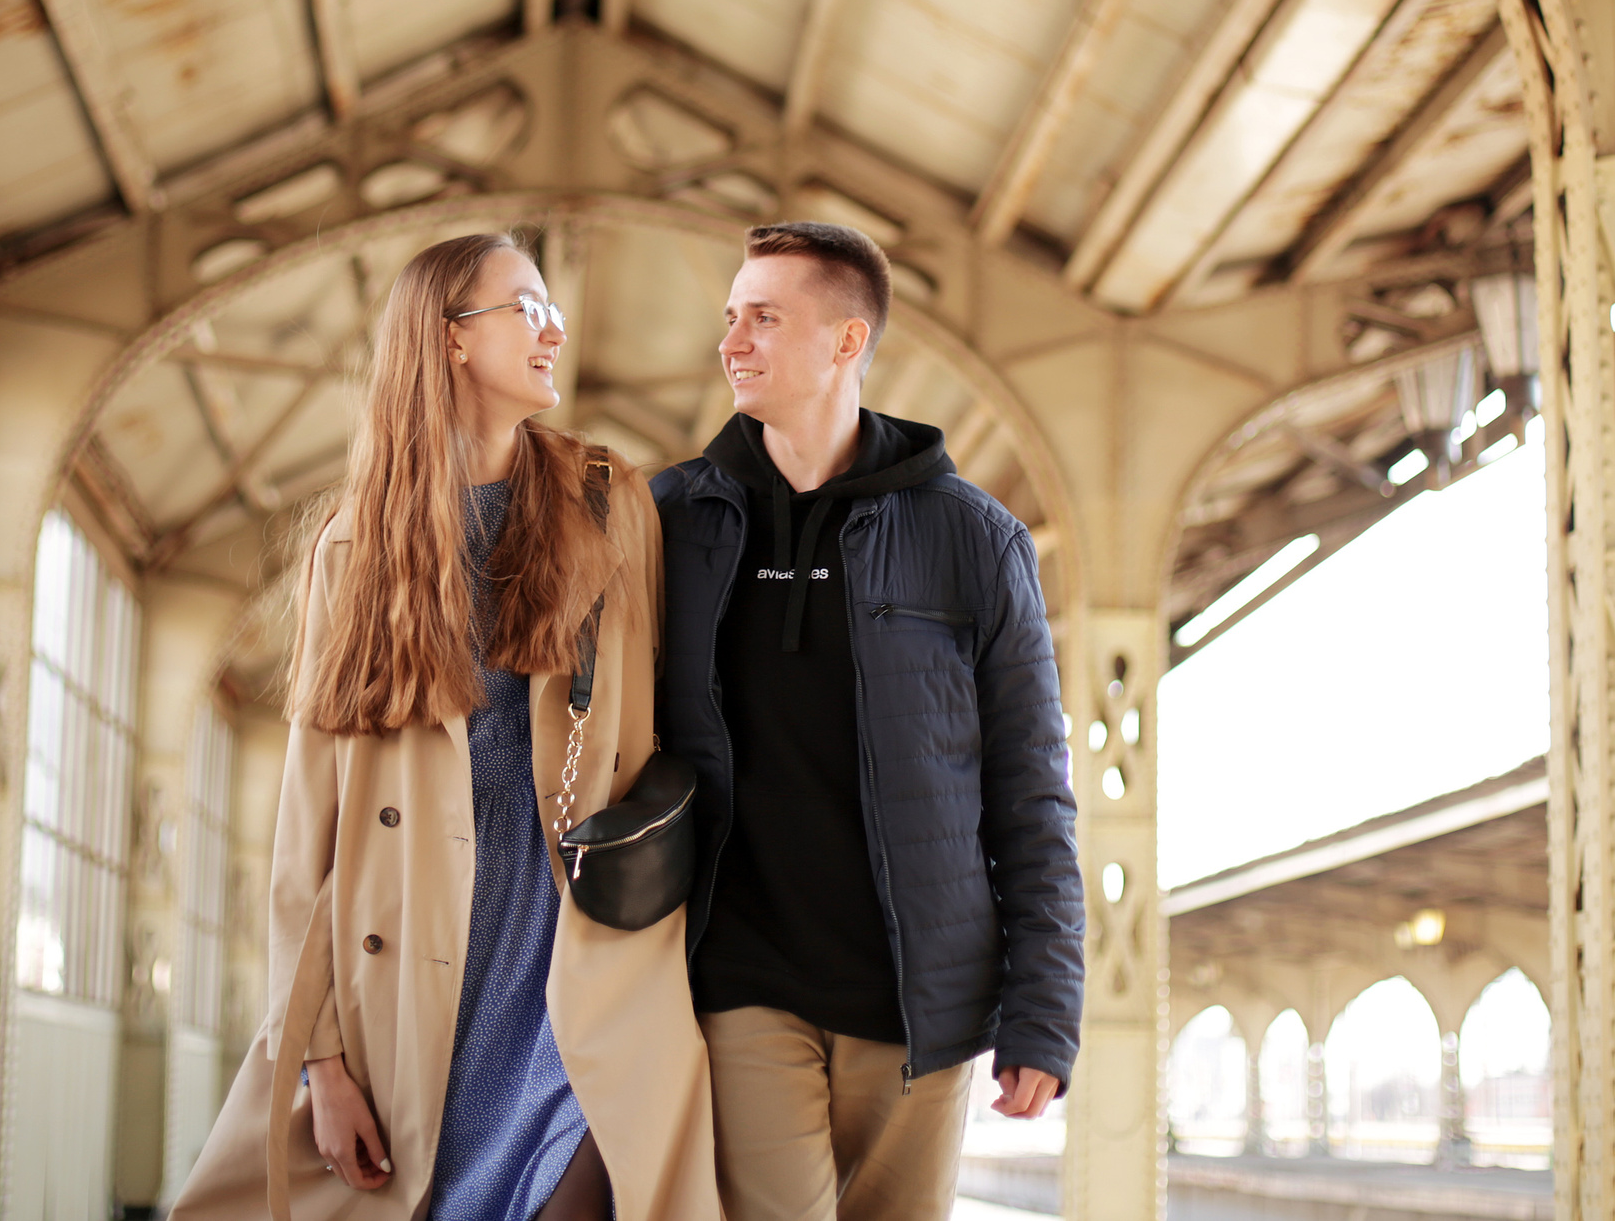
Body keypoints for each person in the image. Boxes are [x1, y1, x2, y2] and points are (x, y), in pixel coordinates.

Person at [173, 232, 720, 1221]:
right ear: (452, 340)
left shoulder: (608, 501)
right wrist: (321, 1066)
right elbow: (309, 840)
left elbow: (662, 718)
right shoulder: (354, 550)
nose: (555, 327)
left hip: (575, 957)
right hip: (410, 982)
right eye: (527, 306)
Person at [651, 221, 1083, 1221]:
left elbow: (1029, 788)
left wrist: (1043, 1013)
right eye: (729, 318)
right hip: (740, 978)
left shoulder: (973, 540)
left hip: (920, 997)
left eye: (765, 317)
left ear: (848, 342)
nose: (732, 342)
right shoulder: (674, 520)